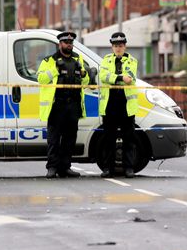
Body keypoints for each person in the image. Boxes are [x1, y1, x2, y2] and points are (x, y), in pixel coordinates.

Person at [37, 31, 89, 179]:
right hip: (56, 106)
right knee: (54, 139)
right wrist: (55, 70)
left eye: (71, 43)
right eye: (66, 42)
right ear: (60, 44)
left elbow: (84, 82)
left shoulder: (78, 60)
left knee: (70, 139)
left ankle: (65, 167)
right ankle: (52, 167)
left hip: (73, 105)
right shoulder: (49, 61)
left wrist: (84, 74)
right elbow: (41, 79)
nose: (69, 45)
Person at [98, 32, 139, 178]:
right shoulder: (106, 60)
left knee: (129, 138)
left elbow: (131, 79)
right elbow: (103, 76)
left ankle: (129, 168)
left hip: (126, 104)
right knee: (109, 138)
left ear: (125, 46)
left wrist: (113, 78)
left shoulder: (132, 61)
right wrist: (120, 77)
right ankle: (108, 168)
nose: (118, 48)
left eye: (120, 46)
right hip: (110, 104)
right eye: (115, 46)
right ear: (112, 47)